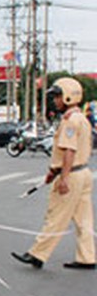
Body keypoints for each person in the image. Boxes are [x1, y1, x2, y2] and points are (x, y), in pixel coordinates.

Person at [12, 77, 95, 270]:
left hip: (71, 174)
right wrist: (53, 172)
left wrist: (63, 177)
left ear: (67, 97)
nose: (55, 101)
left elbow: (69, 151)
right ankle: (87, 256)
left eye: (57, 96)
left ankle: (37, 254)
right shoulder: (82, 119)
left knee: (56, 216)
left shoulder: (70, 121)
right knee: (84, 219)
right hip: (83, 172)